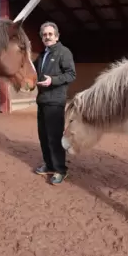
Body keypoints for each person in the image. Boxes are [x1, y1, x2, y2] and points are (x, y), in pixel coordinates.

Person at [33, 21, 76, 185]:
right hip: (42, 101)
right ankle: (49, 165)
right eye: (44, 34)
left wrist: (53, 80)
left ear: (56, 37)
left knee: (54, 137)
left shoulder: (64, 52)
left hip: (55, 102)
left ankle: (60, 170)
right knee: (43, 137)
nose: (47, 37)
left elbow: (71, 74)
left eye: (50, 34)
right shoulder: (42, 55)